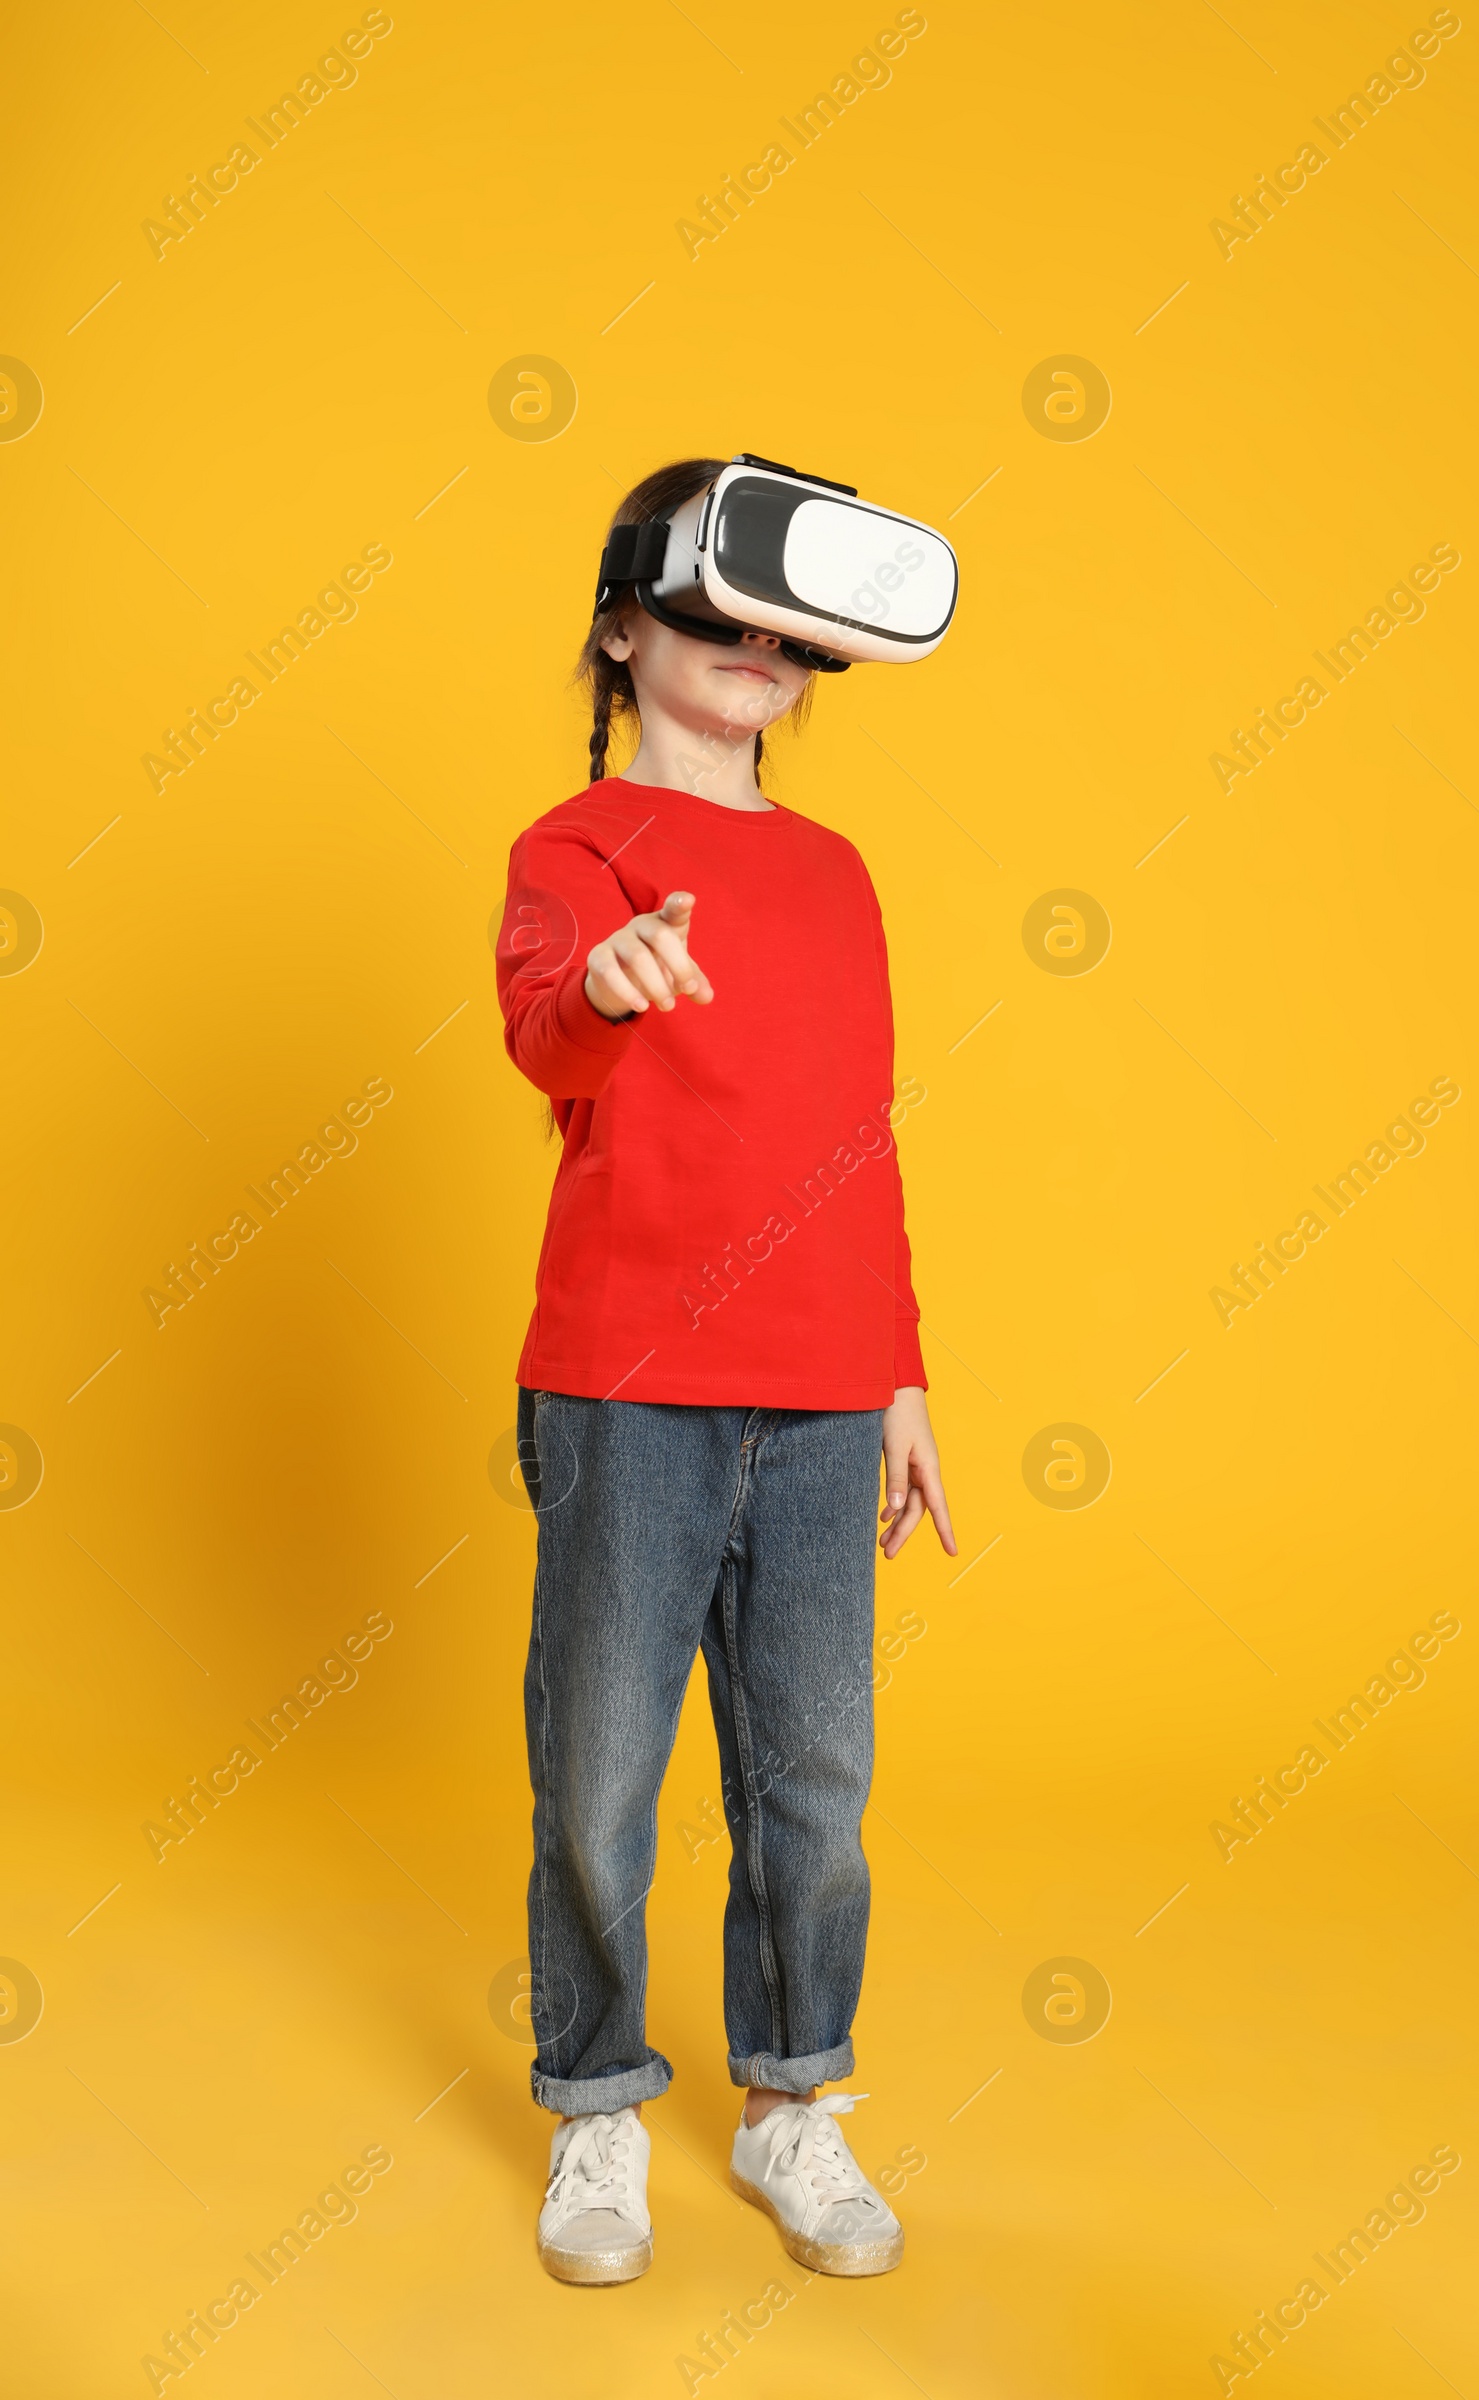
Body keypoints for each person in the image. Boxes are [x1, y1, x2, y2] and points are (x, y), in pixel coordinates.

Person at [495, 456, 956, 2288]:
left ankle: (791, 2108)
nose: (755, 649)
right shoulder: (573, 850)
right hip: (627, 1379)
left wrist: (905, 1373)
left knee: (816, 1775)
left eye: (785, 631)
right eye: (711, 615)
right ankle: (597, 2097)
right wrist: (605, 985)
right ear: (625, 630)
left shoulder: (839, 873)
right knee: (602, 1763)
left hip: (831, 1389)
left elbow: (866, 1135)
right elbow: (542, 1031)